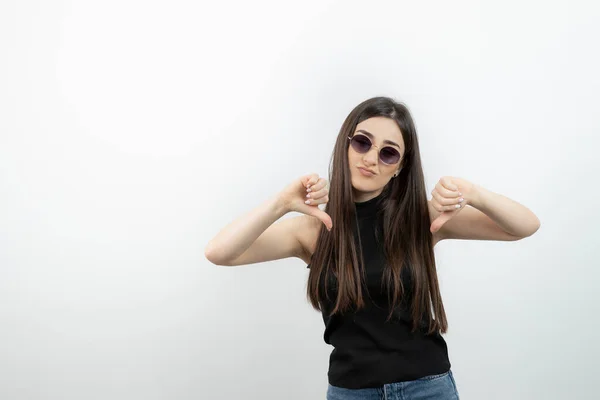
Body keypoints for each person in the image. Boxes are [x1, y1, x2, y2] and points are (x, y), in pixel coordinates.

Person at [204, 96, 540, 399]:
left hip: (427, 388)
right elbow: (219, 252)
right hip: (351, 392)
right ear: (346, 145)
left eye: (389, 152)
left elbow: (523, 226)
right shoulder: (313, 229)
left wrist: (475, 194)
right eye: (362, 143)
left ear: (400, 168)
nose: (371, 159)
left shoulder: (421, 217)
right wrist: (281, 203)